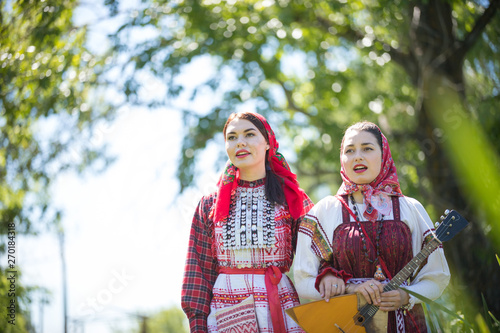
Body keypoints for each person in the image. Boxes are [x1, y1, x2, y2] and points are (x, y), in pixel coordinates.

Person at [294, 121, 450, 332]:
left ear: (383, 154)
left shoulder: (410, 208)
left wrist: (406, 295)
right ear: (342, 158)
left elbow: (437, 276)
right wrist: (350, 288)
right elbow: (304, 280)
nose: (358, 156)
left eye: (367, 148)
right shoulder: (324, 211)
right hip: (347, 325)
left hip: (407, 322)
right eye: (350, 150)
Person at [181, 112, 313, 333]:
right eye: (231, 137)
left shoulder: (292, 198)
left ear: (268, 143)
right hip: (225, 311)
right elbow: (198, 275)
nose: (239, 142)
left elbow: (317, 259)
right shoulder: (209, 205)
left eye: (249, 134)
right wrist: (198, 326)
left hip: (280, 306)